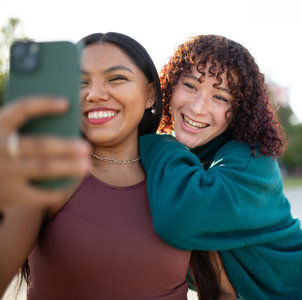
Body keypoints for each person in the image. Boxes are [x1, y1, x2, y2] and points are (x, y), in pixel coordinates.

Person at [0, 32, 235, 300]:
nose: (95, 94)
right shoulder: (46, 175)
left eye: (116, 78)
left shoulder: (180, 175)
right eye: (79, 82)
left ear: (149, 94)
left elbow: (220, 291)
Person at [139, 35, 302, 299]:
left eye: (220, 98)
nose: (198, 107)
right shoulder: (185, 162)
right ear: (170, 86)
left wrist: (149, 140)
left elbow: (180, 221)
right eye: (190, 85)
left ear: (239, 110)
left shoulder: (251, 158)